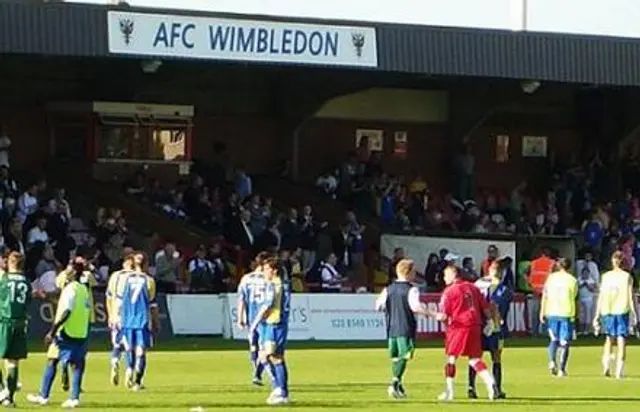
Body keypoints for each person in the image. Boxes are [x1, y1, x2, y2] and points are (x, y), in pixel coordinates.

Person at [427, 263, 498, 401]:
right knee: (474, 359)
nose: (444, 278)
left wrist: (439, 318)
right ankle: (490, 383)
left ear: (453, 275)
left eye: (445, 275)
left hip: (458, 326)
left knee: (451, 358)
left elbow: (444, 314)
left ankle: (450, 392)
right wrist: (489, 322)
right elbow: (485, 307)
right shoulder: (473, 288)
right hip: (475, 325)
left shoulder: (449, 291)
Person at [27, 257, 92, 408]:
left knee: (51, 359)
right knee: (78, 364)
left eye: (68, 268)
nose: (65, 271)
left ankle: (44, 395)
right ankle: (74, 397)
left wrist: (52, 331)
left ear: (73, 271)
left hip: (65, 331)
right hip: (80, 331)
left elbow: (66, 311)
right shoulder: (83, 289)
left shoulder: (70, 289)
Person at [374, 259, 429, 399]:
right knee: (405, 355)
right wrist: (430, 313)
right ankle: (394, 383)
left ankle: (399, 386)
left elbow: (378, 306)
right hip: (406, 326)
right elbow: (415, 307)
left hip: (391, 327)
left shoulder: (388, 289)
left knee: (395, 357)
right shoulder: (412, 289)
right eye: (414, 271)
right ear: (408, 272)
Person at [468, 260, 512, 399]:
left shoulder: (477, 284)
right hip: (494, 328)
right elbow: (495, 306)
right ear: (501, 272)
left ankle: (471, 387)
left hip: (478, 325)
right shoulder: (502, 288)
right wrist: (493, 323)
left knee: (475, 356)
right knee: (496, 357)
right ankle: (497, 389)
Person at [250, 257, 291, 405]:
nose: (264, 272)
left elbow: (268, 305)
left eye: (267, 269)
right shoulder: (283, 283)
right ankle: (281, 390)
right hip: (276, 323)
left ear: (274, 271)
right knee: (267, 355)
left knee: (274, 357)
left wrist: (255, 323)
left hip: (275, 323)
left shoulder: (274, 285)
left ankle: (280, 390)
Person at [118, 251, 159, 391]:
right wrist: (156, 322)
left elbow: (119, 300)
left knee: (129, 348)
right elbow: (152, 303)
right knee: (141, 350)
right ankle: (137, 382)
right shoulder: (149, 280)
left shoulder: (125, 279)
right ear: (146, 264)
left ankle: (129, 368)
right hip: (142, 320)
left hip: (127, 319)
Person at [593, 251, 637, 379]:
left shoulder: (605, 276)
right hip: (621, 309)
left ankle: (606, 365)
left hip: (608, 310)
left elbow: (601, 296)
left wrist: (597, 313)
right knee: (621, 338)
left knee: (609, 338)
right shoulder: (627, 277)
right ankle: (619, 370)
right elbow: (630, 296)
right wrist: (635, 313)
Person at [0, 252, 32, 407]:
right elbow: (27, 302)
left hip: (4, 321)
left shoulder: (4, 280)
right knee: (13, 362)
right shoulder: (26, 282)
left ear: (10, 263)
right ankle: (9, 398)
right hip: (20, 323)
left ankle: (2, 390)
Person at [539, 257, 577, 377]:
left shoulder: (551, 278)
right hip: (566, 313)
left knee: (553, 339)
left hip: (551, 312)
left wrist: (542, 311)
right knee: (565, 342)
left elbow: (544, 295)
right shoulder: (572, 280)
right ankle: (562, 369)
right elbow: (575, 297)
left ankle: (551, 361)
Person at [237, 252, 269, 386]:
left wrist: (240, 317)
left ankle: (255, 372)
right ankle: (257, 373)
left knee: (254, 346)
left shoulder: (246, 278)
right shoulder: (269, 279)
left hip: (251, 318)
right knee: (265, 348)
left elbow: (241, 299)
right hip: (265, 318)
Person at [106, 253, 135, 386]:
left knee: (117, 344)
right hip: (130, 314)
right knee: (130, 346)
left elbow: (109, 296)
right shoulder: (136, 277)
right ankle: (129, 371)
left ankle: (115, 361)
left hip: (115, 312)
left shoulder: (115, 276)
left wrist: (110, 314)